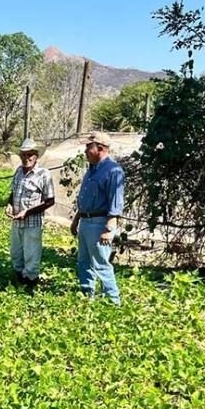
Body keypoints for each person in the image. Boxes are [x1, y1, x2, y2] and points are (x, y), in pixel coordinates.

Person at [70, 131, 125, 305]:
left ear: (100, 148)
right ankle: (87, 295)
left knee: (101, 262)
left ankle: (112, 300)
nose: (85, 151)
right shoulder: (91, 170)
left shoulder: (113, 170)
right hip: (86, 221)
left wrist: (109, 229)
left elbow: (115, 203)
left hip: (99, 223)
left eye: (89, 147)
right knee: (84, 261)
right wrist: (77, 219)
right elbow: (85, 199)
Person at [5, 138, 55, 286]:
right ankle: (19, 283)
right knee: (16, 254)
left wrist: (27, 212)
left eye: (30, 155)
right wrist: (9, 204)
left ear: (36, 156)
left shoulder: (43, 174)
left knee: (31, 256)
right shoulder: (18, 172)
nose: (27, 158)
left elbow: (50, 201)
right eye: (24, 155)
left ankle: (30, 286)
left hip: (32, 223)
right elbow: (13, 192)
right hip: (17, 222)